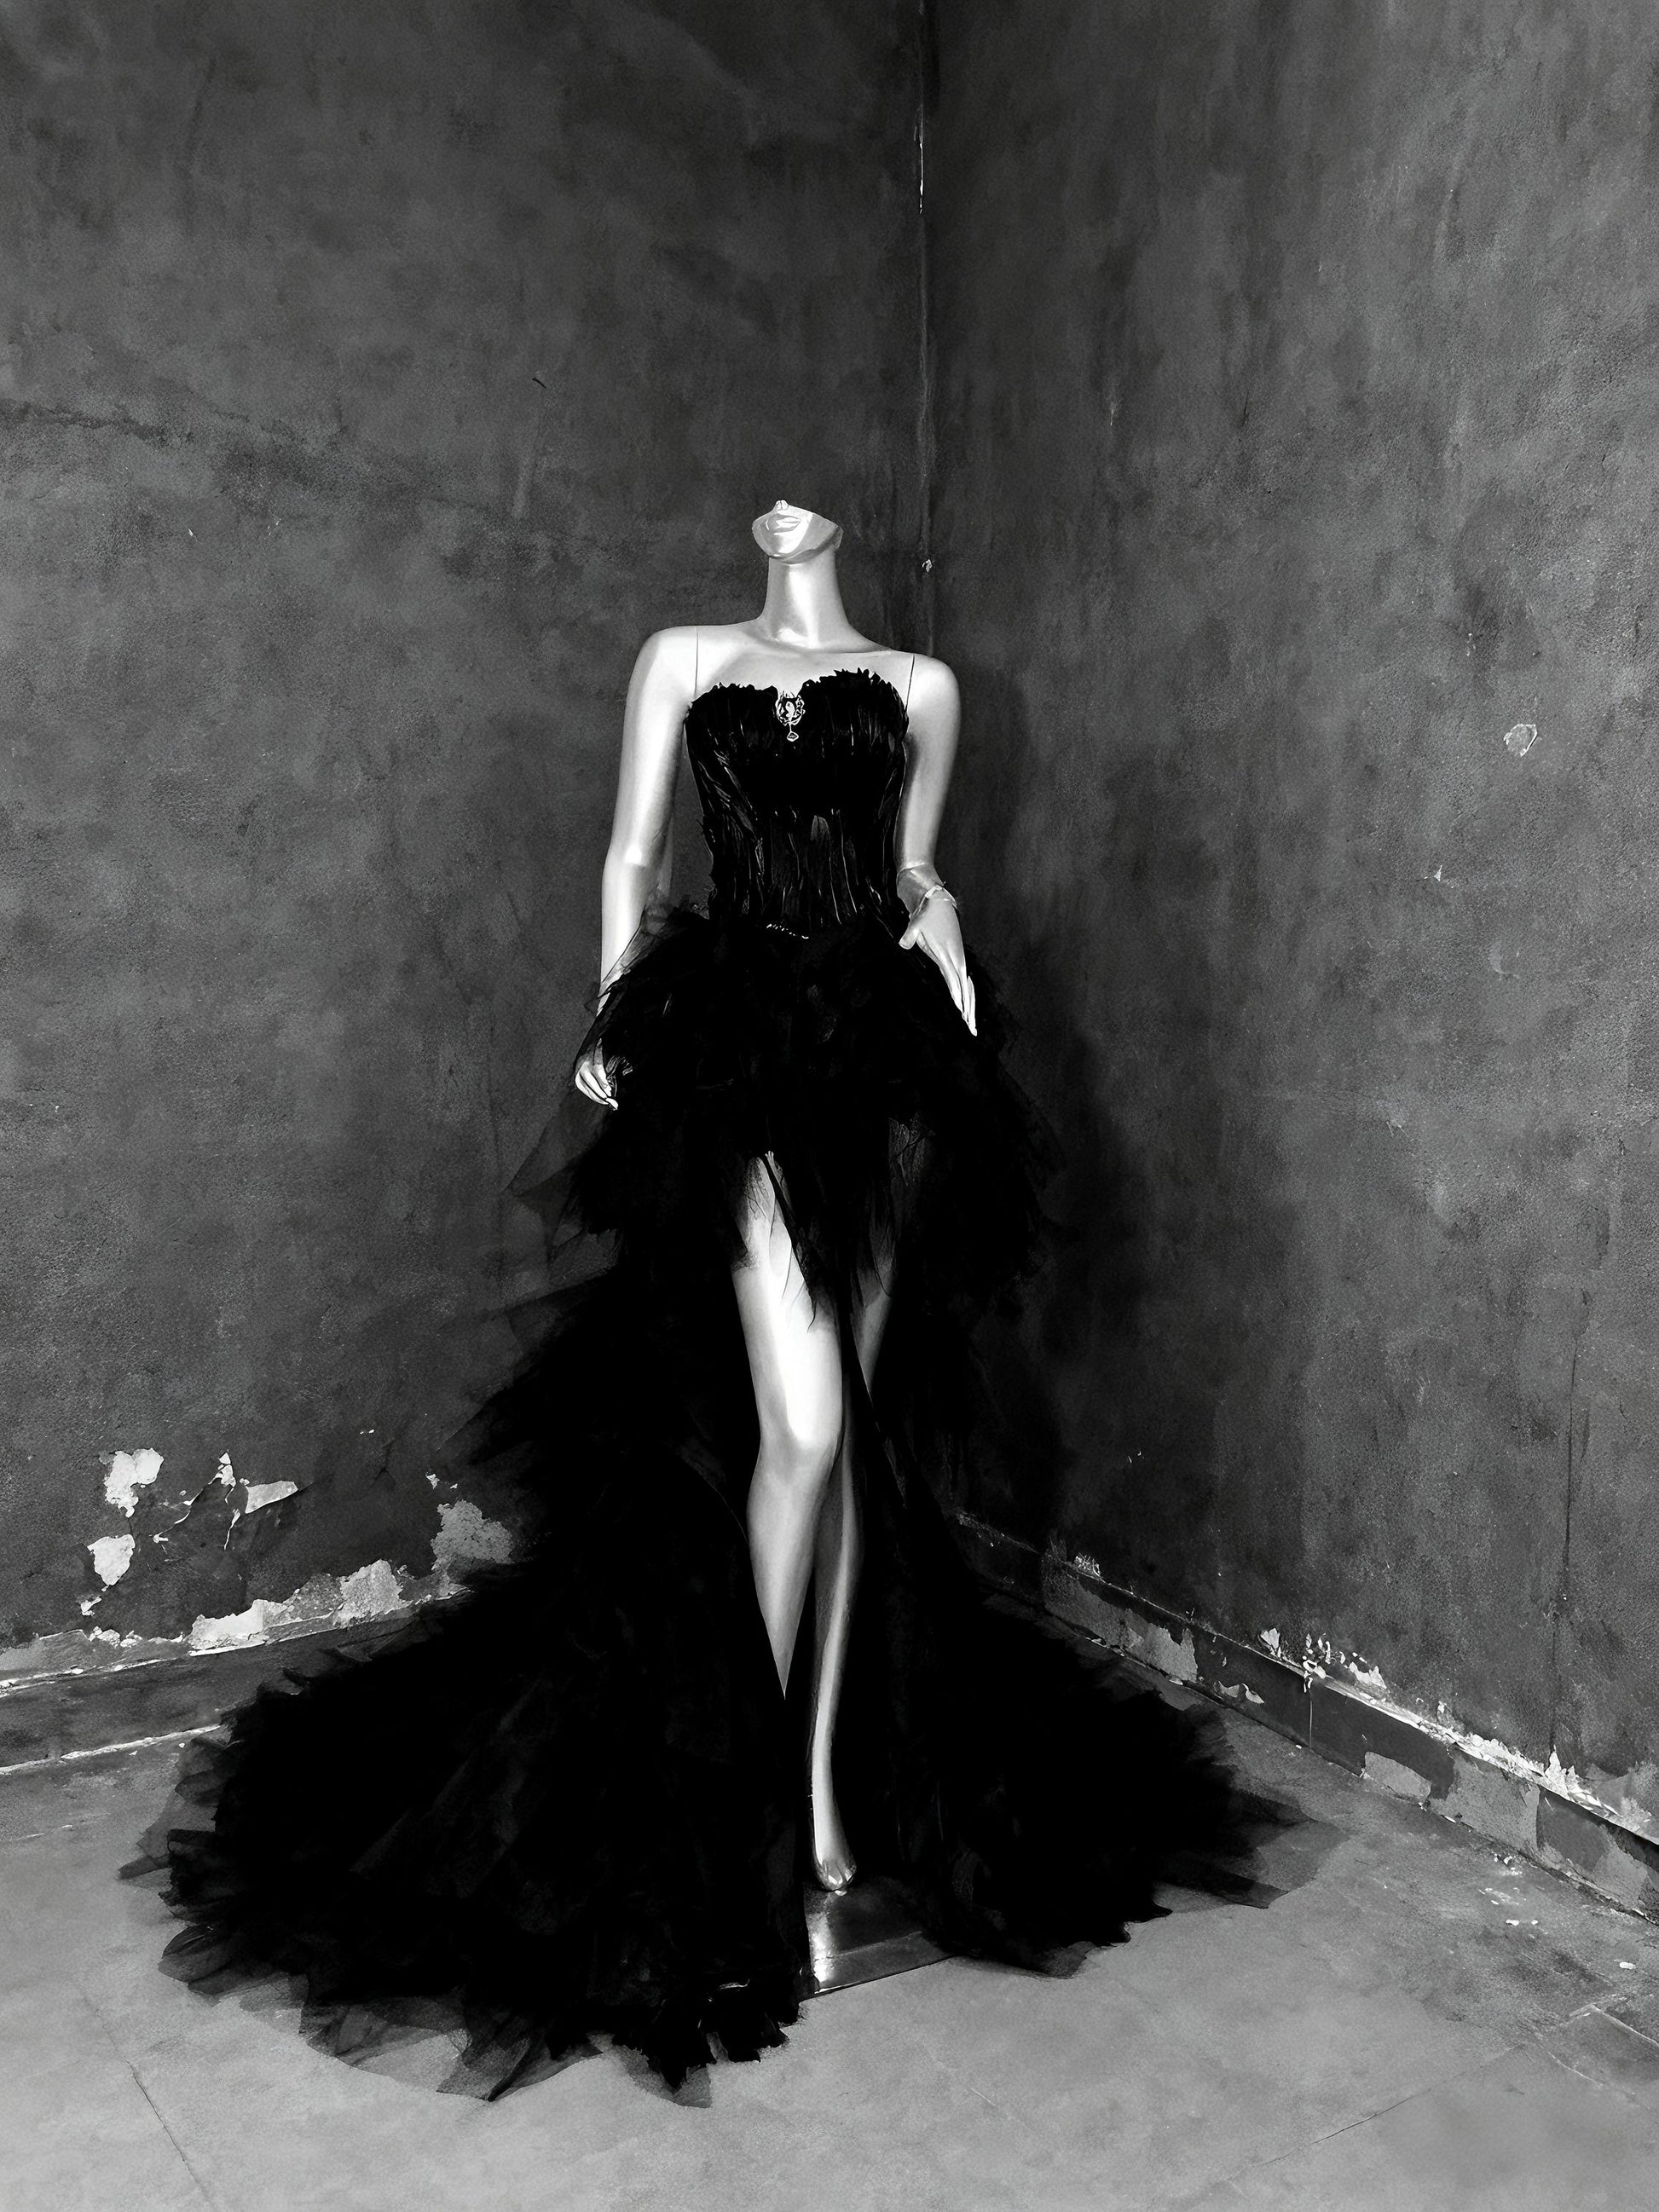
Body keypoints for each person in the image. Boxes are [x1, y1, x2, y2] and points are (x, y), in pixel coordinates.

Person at [142, 500, 1262, 2094]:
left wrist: (942, 922)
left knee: (846, 1429)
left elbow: (915, 864)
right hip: (733, 1040)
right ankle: (739, 1795)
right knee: (796, 1430)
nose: (788, 509)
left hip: (886, 1054)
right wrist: (612, 1015)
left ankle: (814, 1793)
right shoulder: (682, 656)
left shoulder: (923, 684)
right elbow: (633, 850)